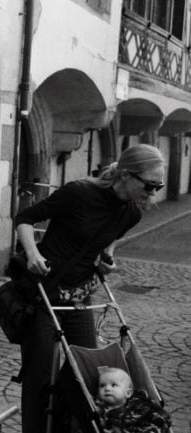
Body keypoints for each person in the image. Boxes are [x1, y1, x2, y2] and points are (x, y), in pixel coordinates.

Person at [14, 144, 165, 433]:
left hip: (81, 296)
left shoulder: (132, 213)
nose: (153, 193)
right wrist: (33, 254)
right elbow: (25, 218)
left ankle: (64, 425)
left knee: (86, 371)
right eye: (149, 185)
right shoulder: (79, 192)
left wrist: (107, 258)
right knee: (41, 376)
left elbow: (108, 241)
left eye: (158, 186)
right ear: (125, 175)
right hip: (44, 293)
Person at [95, 367, 171, 433]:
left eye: (113, 385)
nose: (107, 389)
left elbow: (158, 415)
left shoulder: (138, 403)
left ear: (128, 393)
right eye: (102, 385)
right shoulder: (101, 409)